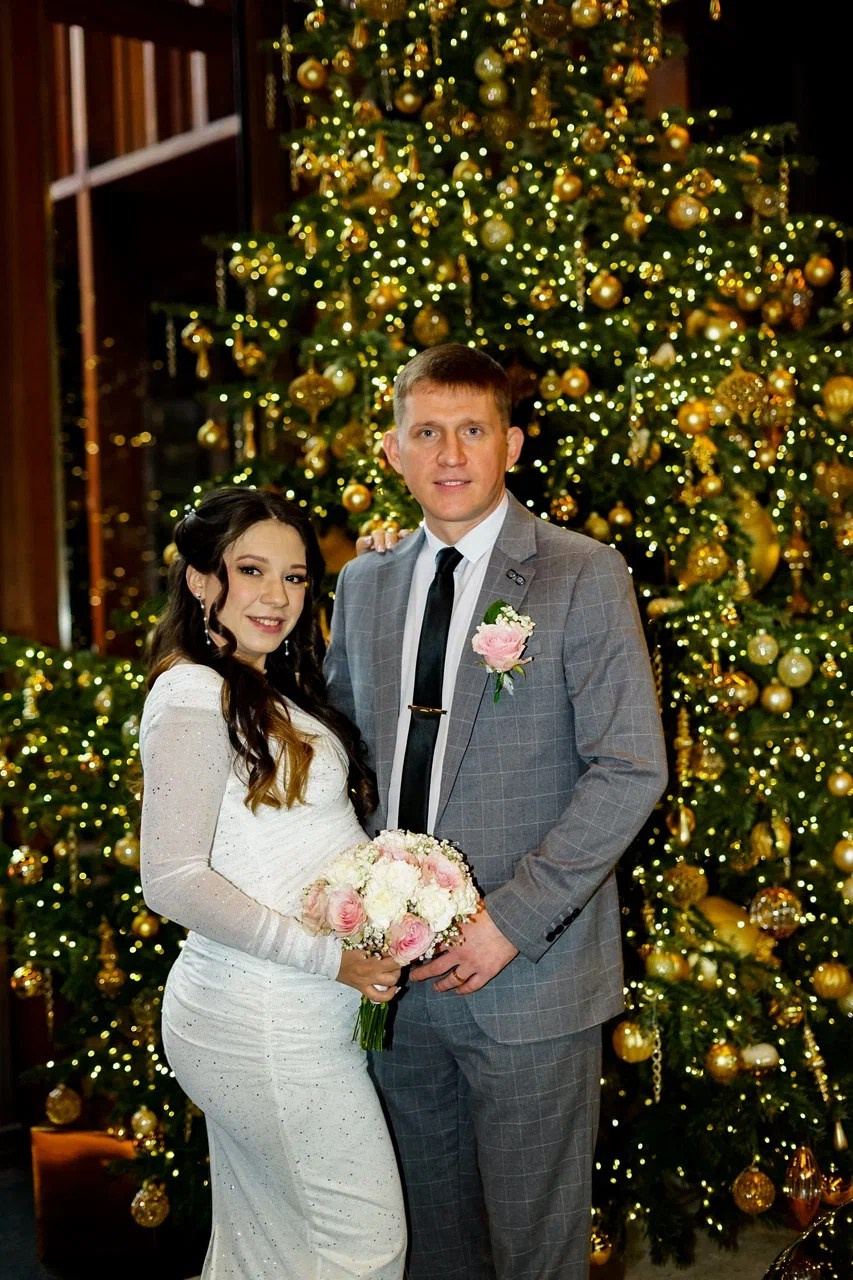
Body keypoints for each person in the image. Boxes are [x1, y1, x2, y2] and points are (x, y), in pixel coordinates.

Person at [325, 345, 668, 1280]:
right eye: (426, 432)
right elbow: (344, 763)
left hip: (529, 979)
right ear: (392, 449)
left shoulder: (580, 573)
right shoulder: (363, 585)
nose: (449, 453)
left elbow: (629, 768)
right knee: (424, 1246)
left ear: (510, 445)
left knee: (533, 1253)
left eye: (472, 430)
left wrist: (508, 922)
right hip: (393, 980)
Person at [138, 487, 406, 1279]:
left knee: (270, 1250)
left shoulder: (264, 685)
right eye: (251, 570)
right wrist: (331, 959)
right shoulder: (192, 692)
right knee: (364, 1246)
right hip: (259, 1018)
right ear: (200, 578)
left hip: (292, 1012)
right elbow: (172, 879)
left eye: (294, 578)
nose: (276, 597)